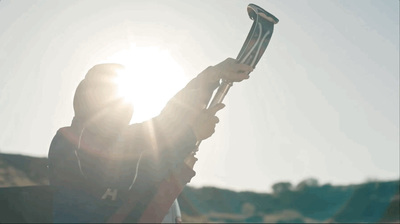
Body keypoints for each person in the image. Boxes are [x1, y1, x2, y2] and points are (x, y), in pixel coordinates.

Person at [48, 58, 252, 223]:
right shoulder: (70, 139)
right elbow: (127, 176)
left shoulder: (126, 139)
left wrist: (208, 78)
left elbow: (168, 121)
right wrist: (191, 136)